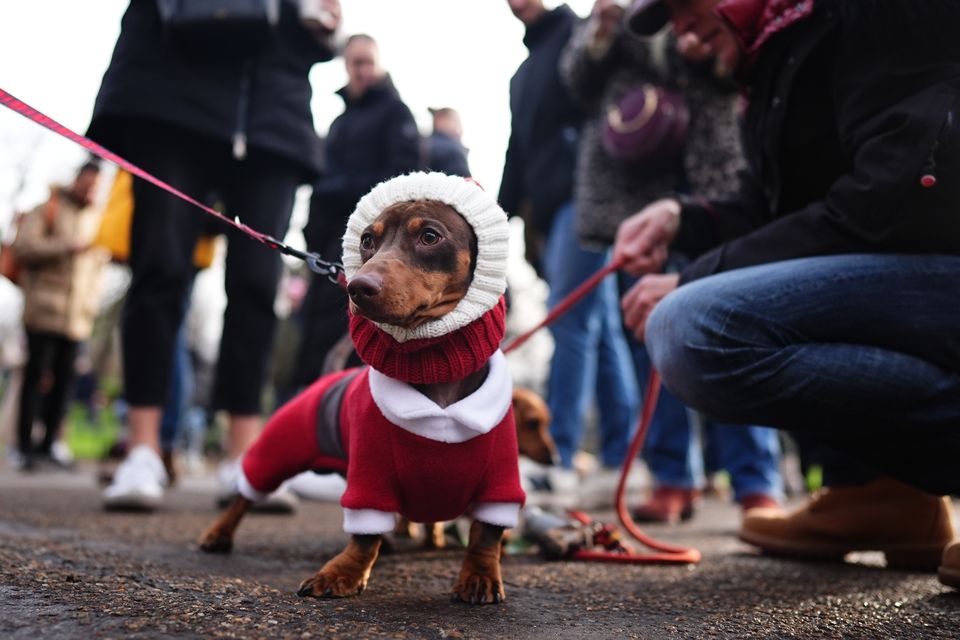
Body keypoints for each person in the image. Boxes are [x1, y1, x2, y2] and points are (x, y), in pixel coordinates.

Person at [616, 0, 960, 585]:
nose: (683, 34)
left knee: (693, 328)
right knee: (695, 319)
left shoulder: (869, 16)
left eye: (684, 8)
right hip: (921, 274)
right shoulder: (781, 47)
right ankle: (879, 495)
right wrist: (686, 217)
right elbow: (790, 210)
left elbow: (891, 200)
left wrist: (695, 276)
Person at [87, 0, 342, 510]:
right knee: (158, 270)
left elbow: (321, 34)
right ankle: (144, 449)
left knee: (256, 284)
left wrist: (326, 25)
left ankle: (243, 457)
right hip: (169, 98)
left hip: (272, 112)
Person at [560, 0, 781, 523]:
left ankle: (755, 479)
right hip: (633, 187)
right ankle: (671, 475)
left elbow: (745, 73)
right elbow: (576, 84)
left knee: (738, 319)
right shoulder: (607, 15)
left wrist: (704, 51)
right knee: (645, 329)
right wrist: (603, 28)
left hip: (716, 178)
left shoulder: (718, 14)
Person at [502, 0, 641, 506]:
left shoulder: (581, 35)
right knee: (597, 329)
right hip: (549, 208)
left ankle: (557, 459)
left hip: (589, 200)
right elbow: (517, 147)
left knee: (570, 321)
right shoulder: (520, 74)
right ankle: (623, 460)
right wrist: (495, 214)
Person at [291, 33, 421, 393]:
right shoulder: (338, 124)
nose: (360, 71)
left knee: (349, 335)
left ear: (378, 64)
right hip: (324, 248)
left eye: (366, 62)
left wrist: (337, 189)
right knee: (314, 336)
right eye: (354, 64)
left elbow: (402, 182)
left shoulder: (396, 115)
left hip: (370, 249)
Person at [12, 162, 108, 471]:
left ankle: (49, 445)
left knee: (64, 383)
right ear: (77, 179)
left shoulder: (96, 219)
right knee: (35, 378)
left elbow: (98, 267)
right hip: (44, 309)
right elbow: (23, 247)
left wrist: (91, 304)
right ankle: (24, 446)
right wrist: (65, 247)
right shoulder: (49, 209)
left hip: (77, 317)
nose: (90, 190)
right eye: (87, 183)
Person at [424, 107, 471, 177]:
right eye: (455, 121)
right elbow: (467, 184)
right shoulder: (451, 150)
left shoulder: (424, 144)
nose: (459, 127)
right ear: (440, 120)